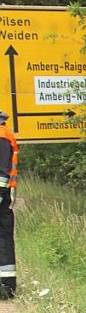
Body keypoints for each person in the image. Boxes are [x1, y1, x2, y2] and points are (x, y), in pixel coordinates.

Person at [0, 110, 18, 299]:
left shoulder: (2, 136)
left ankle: (6, 287)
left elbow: (2, 173)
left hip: (1, 198)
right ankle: (6, 286)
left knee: (3, 238)